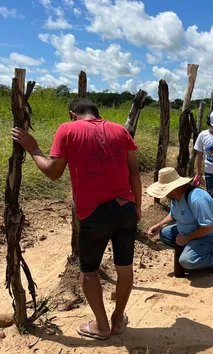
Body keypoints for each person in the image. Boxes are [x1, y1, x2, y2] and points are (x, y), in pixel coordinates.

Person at [12, 98, 142, 340]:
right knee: (125, 268)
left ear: (73, 114)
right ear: (96, 113)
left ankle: (101, 327)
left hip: (95, 213)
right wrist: (138, 206)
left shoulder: (67, 129)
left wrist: (33, 149)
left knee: (89, 271)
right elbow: (134, 172)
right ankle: (117, 319)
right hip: (126, 209)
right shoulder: (121, 130)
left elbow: (53, 172)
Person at [147, 167, 213, 276]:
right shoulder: (175, 197)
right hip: (189, 231)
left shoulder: (196, 198)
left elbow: (210, 227)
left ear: (174, 187)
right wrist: (159, 225)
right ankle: (191, 248)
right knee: (164, 233)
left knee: (187, 261)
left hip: (209, 236)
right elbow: (174, 215)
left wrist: (187, 238)